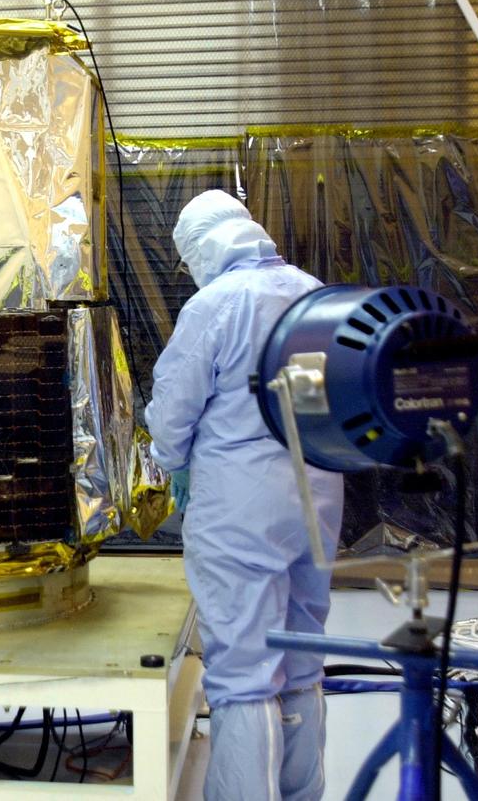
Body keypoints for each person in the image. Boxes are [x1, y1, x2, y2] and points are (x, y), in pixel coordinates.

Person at [146, 189, 344, 801]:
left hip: (241, 510)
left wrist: (169, 462)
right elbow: (315, 400)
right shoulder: (310, 290)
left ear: (202, 246)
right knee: (302, 657)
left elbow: (174, 409)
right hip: (315, 497)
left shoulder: (216, 305)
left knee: (243, 675)